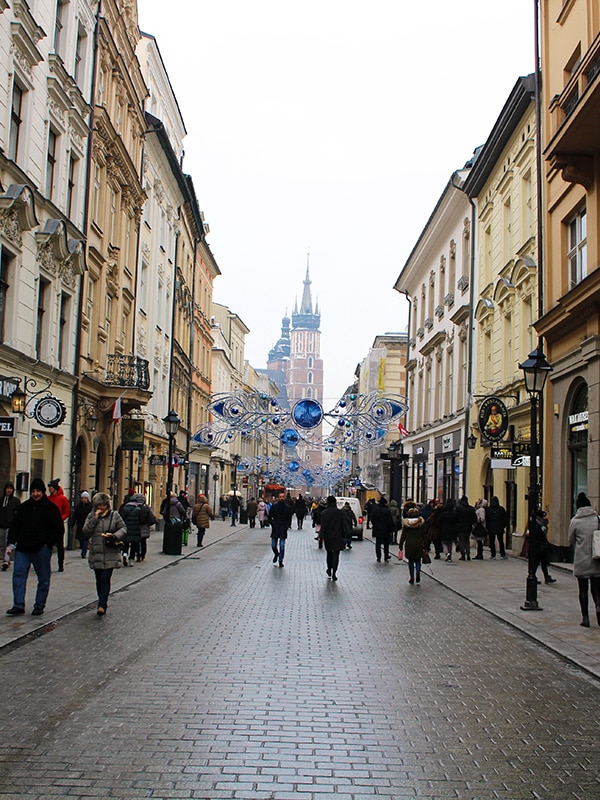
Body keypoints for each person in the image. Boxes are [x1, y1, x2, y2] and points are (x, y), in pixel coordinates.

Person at [5, 478, 63, 616]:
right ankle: (18, 605)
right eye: (33, 491)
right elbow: (15, 526)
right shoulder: (24, 508)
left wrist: (49, 543)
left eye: (38, 491)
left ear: (42, 492)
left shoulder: (50, 508)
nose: (35, 494)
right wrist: (11, 543)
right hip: (23, 548)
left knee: (43, 578)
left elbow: (58, 529)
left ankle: (39, 605)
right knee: (18, 575)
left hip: (41, 549)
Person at [83, 492, 126, 616]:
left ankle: (102, 604)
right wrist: (95, 518)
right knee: (99, 579)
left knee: (105, 578)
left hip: (110, 552)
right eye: (99, 505)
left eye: (103, 505)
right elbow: (86, 531)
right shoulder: (92, 516)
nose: (101, 508)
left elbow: (123, 528)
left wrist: (114, 536)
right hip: (96, 552)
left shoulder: (114, 516)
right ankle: (102, 600)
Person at [568, 492, 600, 627]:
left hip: (582, 560)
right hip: (596, 559)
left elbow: (570, 540)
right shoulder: (597, 519)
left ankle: (585, 618)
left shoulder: (575, 521)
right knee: (597, 590)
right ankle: (598, 607)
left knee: (583, 590)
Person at [320, 495, 350, 581]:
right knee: (336, 555)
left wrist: (321, 536)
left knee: (329, 554)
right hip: (338, 536)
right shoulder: (340, 513)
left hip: (328, 537)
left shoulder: (325, 513)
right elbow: (345, 523)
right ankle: (334, 573)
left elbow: (323, 526)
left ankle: (329, 569)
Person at [121, 493, 156, 565]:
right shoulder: (141, 508)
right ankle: (134, 558)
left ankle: (125, 553)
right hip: (138, 529)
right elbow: (146, 519)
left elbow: (121, 519)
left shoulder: (124, 508)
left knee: (126, 542)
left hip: (127, 528)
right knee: (137, 543)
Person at [399, 506, 428, 584]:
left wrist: (400, 545)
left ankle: (412, 577)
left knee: (411, 561)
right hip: (419, 544)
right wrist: (426, 545)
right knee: (418, 560)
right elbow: (424, 535)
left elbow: (403, 535)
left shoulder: (407, 524)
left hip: (409, 544)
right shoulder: (420, 524)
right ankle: (418, 571)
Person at [47, 478, 70, 572]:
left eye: (51, 487)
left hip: (58, 526)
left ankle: (61, 563)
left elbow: (66, 512)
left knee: (60, 546)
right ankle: (45, 563)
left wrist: (60, 519)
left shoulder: (62, 498)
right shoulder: (48, 499)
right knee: (48, 546)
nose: (49, 489)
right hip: (48, 526)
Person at [529, 509, 556, 585]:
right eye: (544, 517)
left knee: (543, 563)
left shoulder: (540, 524)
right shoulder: (537, 525)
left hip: (541, 546)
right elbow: (539, 536)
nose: (546, 518)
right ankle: (533, 575)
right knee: (538, 562)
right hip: (538, 547)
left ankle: (546, 577)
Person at [268, 492, 293, 567]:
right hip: (275, 529)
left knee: (282, 546)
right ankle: (276, 554)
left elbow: (289, 518)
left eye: (283, 497)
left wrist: (287, 526)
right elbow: (270, 517)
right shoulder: (274, 507)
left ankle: (280, 560)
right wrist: (273, 524)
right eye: (280, 497)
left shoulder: (287, 507)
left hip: (283, 529)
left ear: (284, 497)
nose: (282, 498)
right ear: (278, 498)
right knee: (273, 545)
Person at [0, 481, 20, 571]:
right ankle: (3, 559)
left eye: (11, 489)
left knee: (8, 544)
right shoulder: (1, 500)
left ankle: (6, 560)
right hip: (1, 525)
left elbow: (18, 513)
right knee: (1, 543)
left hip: (10, 525)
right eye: (8, 488)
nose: (9, 490)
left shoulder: (15, 501)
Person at [370, 496, 395, 562]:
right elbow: (390, 521)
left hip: (377, 529)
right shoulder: (387, 511)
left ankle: (378, 556)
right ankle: (386, 556)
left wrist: (375, 525)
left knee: (378, 543)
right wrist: (391, 529)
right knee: (386, 544)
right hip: (386, 530)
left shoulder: (375, 510)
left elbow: (372, 519)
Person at [71, 491, 92, 558]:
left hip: (87, 525)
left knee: (85, 538)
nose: (83, 500)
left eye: (85, 498)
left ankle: (84, 552)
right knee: (80, 538)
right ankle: (83, 547)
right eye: (82, 498)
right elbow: (75, 515)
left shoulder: (91, 506)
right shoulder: (78, 506)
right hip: (80, 524)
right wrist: (72, 523)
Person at [455, 496, 476, 561]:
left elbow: (455, 517)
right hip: (468, 527)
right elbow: (474, 518)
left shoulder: (458, 508)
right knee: (467, 541)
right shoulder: (471, 509)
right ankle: (468, 554)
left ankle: (463, 555)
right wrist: (471, 523)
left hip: (460, 527)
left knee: (461, 541)